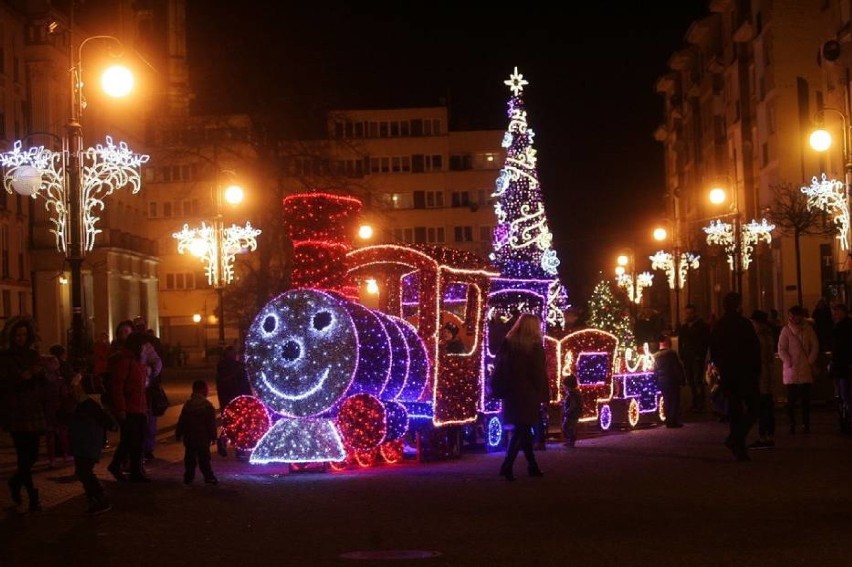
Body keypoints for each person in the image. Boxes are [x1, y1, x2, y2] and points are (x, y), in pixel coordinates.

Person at [0, 318, 47, 513]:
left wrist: (41, 373)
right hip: (17, 410)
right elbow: (4, 383)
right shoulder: (5, 357)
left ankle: (15, 481)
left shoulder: (33, 354)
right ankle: (32, 495)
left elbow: (41, 381)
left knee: (33, 454)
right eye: (18, 335)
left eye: (24, 335)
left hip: (33, 408)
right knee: (23, 455)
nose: (21, 338)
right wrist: (22, 377)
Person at [495, 313, 548, 481]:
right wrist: (543, 394)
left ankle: (532, 466)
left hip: (511, 393)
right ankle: (507, 465)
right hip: (528, 394)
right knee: (522, 430)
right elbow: (538, 374)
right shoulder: (535, 346)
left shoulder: (508, 343)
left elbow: (500, 366)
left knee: (523, 430)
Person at [708, 292, 761, 462]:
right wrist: (756, 369)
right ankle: (737, 440)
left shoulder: (719, 325)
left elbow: (714, 350)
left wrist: (720, 368)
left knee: (735, 410)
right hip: (745, 373)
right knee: (755, 407)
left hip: (728, 374)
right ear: (738, 305)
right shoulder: (744, 324)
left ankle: (738, 444)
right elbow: (754, 348)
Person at [68, 374, 118, 515]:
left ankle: (100, 499)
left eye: (76, 388)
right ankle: (95, 500)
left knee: (85, 472)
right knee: (83, 472)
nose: (74, 391)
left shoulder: (90, 404)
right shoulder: (83, 404)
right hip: (82, 443)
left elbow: (110, 424)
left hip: (87, 444)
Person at [106, 331, 152, 483]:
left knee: (138, 439)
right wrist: (121, 408)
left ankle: (135, 470)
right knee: (130, 440)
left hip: (139, 407)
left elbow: (141, 387)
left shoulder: (138, 362)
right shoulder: (125, 361)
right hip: (129, 408)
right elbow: (117, 386)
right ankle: (118, 465)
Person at [778, 305, 819, 434]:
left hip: (805, 369)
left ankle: (805, 424)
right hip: (792, 370)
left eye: (794, 315)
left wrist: (809, 361)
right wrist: (788, 360)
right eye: (790, 315)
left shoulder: (808, 330)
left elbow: (815, 346)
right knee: (791, 400)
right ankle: (792, 423)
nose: (792, 318)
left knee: (805, 401)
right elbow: (781, 348)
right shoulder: (786, 330)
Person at [176, 380, 219, 485]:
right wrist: (213, 436)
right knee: (204, 459)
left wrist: (179, 433)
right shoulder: (207, 406)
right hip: (202, 438)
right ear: (203, 390)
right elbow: (211, 424)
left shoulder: (188, 405)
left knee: (190, 458)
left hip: (190, 437)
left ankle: (188, 477)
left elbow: (182, 421)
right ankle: (208, 477)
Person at [132, 317, 163, 462]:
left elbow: (158, 362)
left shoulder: (151, 343)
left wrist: (149, 374)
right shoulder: (128, 344)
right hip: (133, 387)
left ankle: (147, 448)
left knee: (150, 419)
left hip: (149, 387)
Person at [749, 310, 776, 449]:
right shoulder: (769, 334)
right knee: (768, 406)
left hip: (761, 375)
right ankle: (769, 435)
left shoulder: (758, 337)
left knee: (762, 406)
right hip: (769, 374)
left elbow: (755, 357)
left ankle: (763, 437)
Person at [675, 304, 710, 412]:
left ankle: (701, 403)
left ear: (695, 313)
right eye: (687, 313)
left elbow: (705, 342)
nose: (688, 315)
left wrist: (700, 354)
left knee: (698, 380)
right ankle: (695, 402)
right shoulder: (684, 327)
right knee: (691, 381)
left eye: (690, 313)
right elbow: (681, 342)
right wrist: (681, 354)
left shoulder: (701, 326)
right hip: (687, 357)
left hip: (697, 356)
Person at [653, 335, 686, 428]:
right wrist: (681, 379)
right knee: (674, 400)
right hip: (672, 379)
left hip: (662, 380)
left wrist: (657, 380)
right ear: (667, 342)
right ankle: (673, 420)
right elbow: (677, 368)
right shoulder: (671, 353)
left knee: (666, 400)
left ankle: (668, 420)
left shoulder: (655, 356)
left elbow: (655, 370)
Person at [830, 303, 852, 434]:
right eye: (834, 312)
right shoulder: (838, 326)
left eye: (837, 312)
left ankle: (846, 420)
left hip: (844, 367)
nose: (835, 315)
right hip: (840, 366)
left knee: (845, 394)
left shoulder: (845, 327)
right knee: (842, 395)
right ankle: (844, 419)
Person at [561, 374, 583, 447]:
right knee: (570, 427)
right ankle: (570, 441)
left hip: (572, 414)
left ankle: (571, 441)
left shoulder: (572, 393)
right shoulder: (576, 392)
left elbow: (573, 404)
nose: (563, 387)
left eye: (564, 385)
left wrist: (567, 411)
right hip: (575, 413)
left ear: (568, 385)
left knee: (567, 426)